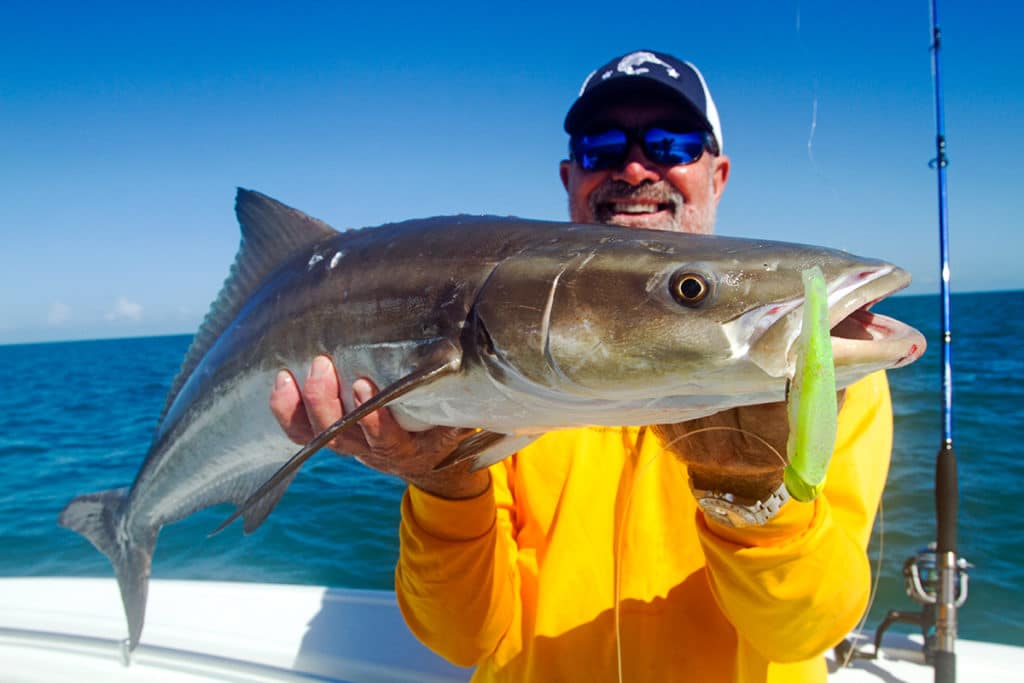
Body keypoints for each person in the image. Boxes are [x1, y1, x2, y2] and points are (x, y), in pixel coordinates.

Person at [270, 50, 892, 682]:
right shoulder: (489, 374)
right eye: (601, 147)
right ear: (569, 177)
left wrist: (754, 494)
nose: (633, 167)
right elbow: (463, 637)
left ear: (718, 174)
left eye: (671, 144)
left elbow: (808, 631)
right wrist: (445, 483)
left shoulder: (826, 366)